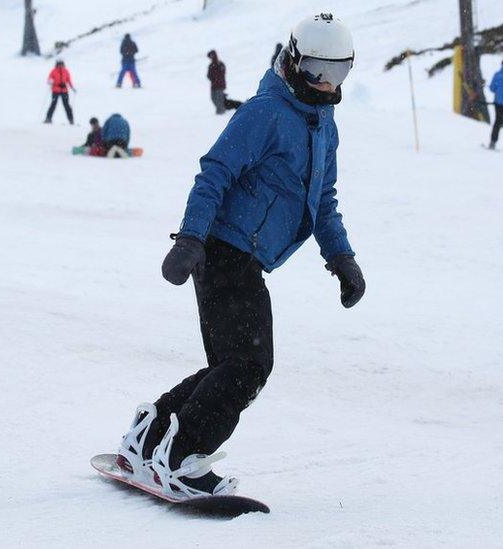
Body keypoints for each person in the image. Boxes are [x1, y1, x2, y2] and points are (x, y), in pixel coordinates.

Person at [115, 13, 365, 499]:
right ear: (293, 60)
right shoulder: (265, 112)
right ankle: (183, 457)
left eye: (337, 72)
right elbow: (215, 172)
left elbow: (324, 200)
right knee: (249, 365)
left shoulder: (323, 124)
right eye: (317, 69)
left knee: (231, 364)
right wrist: (189, 239)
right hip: (224, 250)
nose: (326, 83)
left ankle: (149, 438)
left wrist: (343, 259)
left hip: (244, 256)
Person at [44, 60, 75, 125]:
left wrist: (72, 88)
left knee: (66, 105)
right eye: (59, 64)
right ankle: (48, 118)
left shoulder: (66, 71)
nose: (60, 66)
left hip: (64, 90)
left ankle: (71, 119)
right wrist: (50, 82)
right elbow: (49, 79)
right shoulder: (54, 71)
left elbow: (69, 80)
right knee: (53, 104)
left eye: (61, 64)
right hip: (55, 90)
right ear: (57, 65)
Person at [207, 50, 228, 115]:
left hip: (220, 85)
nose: (211, 57)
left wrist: (216, 77)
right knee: (213, 98)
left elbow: (222, 73)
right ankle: (220, 110)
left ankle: (221, 112)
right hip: (213, 85)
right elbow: (208, 75)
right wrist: (211, 77)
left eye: (211, 56)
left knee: (219, 99)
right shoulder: (210, 65)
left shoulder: (220, 64)